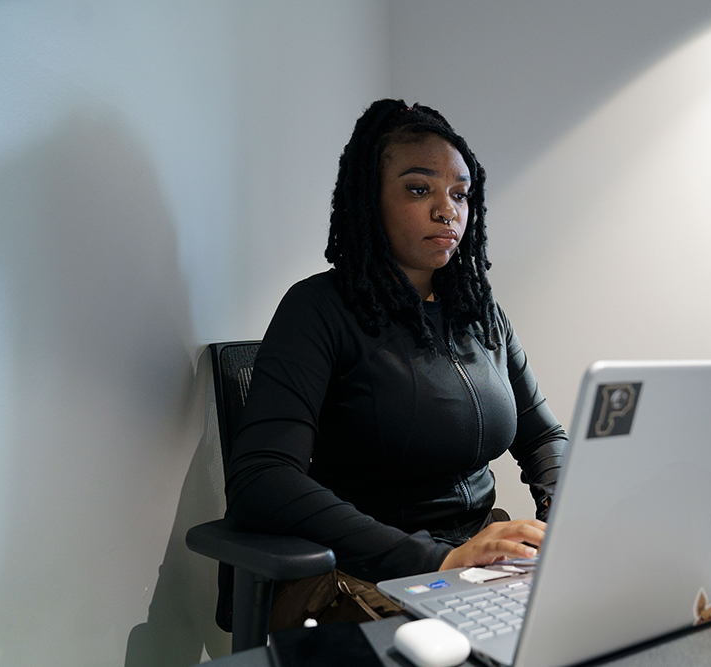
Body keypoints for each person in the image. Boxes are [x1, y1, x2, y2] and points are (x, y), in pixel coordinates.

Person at [225, 99, 567, 628]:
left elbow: (544, 438)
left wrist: (566, 515)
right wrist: (436, 561)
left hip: (476, 562)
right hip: (359, 571)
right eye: (418, 188)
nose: (446, 209)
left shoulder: (479, 313)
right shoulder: (317, 309)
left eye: (459, 194)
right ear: (371, 200)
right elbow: (263, 477)